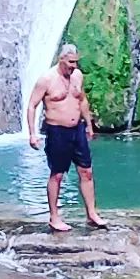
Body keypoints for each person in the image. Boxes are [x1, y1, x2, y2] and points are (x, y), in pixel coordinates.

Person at [26, 42, 107, 233]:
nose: (74, 66)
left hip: (77, 130)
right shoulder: (46, 79)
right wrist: (32, 134)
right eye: (71, 62)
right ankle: (54, 217)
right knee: (58, 174)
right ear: (61, 59)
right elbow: (31, 105)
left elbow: (82, 99)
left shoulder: (77, 76)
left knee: (86, 171)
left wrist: (89, 125)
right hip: (57, 131)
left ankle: (91, 213)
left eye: (76, 62)